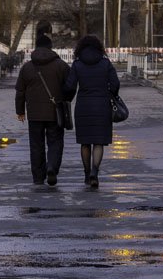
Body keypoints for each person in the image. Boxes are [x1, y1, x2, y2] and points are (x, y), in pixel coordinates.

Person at [14, 29, 70, 186]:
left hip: (34, 113)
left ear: (36, 48)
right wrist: (65, 101)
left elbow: (20, 92)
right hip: (55, 111)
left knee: (36, 144)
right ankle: (52, 167)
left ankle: (38, 177)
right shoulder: (61, 66)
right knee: (55, 141)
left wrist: (20, 111)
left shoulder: (27, 68)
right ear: (51, 47)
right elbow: (70, 87)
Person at [63, 34, 120, 189]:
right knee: (99, 142)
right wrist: (110, 94)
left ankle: (87, 173)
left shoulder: (77, 64)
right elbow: (115, 84)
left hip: (83, 106)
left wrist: (66, 98)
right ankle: (95, 171)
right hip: (102, 106)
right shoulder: (105, 63)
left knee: (85, 142)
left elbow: (70, 86)